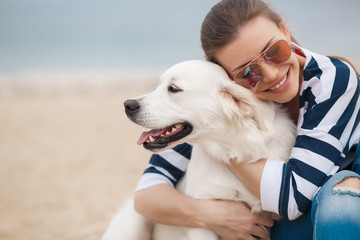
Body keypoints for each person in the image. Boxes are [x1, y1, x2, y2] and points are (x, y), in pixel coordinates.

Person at [134, 0, 360, 239]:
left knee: (342, 200)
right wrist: (210, 215)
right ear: (228, 80)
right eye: (248, 72)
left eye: (275, 51)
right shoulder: (224, 102)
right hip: (269, 228)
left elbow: (292, 199)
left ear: (284, 30)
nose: (272, 74)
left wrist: (222, 135)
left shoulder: (332, 80)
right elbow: (146, 196)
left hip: (323, 215)